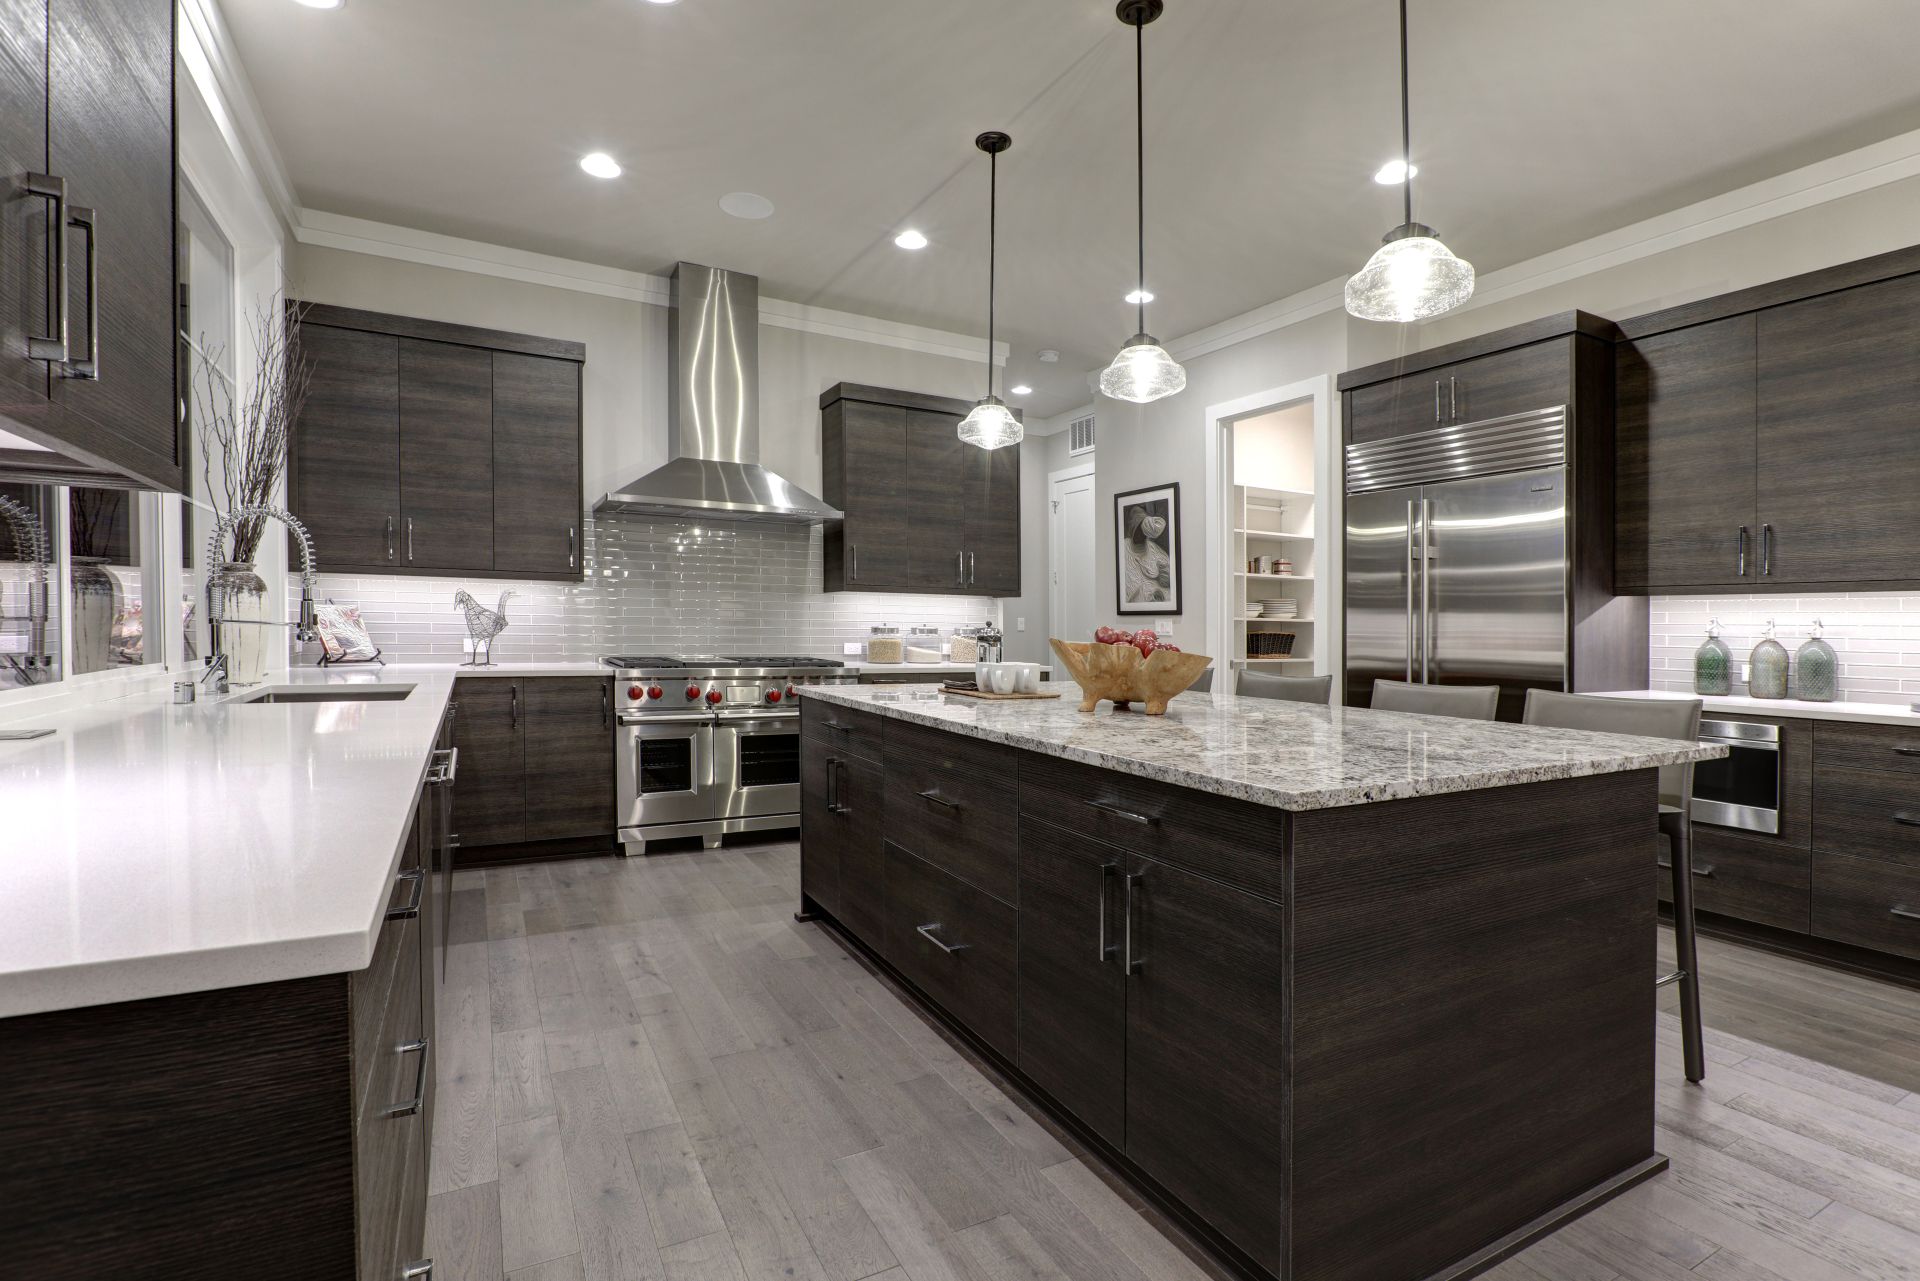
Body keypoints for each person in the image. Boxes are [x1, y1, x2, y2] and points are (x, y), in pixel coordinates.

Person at [1123, 505, 1171, 604]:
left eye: (1143, 534)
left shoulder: (1152, 548)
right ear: (1133, 530)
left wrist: (1159, 590)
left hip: (1157, 596)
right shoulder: (1124, 547)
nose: (1142, 536)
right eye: (1139, 532)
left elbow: (1167, 575)